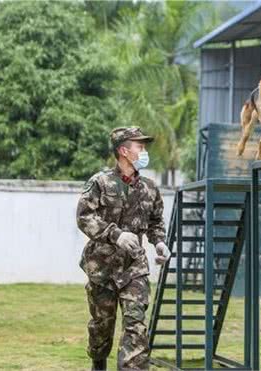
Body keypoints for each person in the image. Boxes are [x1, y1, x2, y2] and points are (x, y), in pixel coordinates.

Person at [76, 126, 171, 370]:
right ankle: (99, 362)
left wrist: (159, 242)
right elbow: (84, 217)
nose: (144, 150)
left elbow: (155, 221)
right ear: (123, 151)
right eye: (139, 146)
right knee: (101, 326)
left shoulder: (149, 187)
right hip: (102, 267)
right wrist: (115, 235)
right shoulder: (100, 182)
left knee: (136, 325)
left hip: (134, 268)